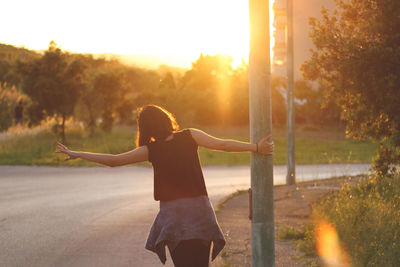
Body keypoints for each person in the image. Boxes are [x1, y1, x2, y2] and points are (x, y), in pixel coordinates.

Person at [56, 104, 274, 267]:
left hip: (173, 217)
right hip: (200, 212)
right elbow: (223, 145)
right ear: (166, 119)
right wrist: (256, 147)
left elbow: (114, 161)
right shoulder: (190, 135)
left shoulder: (151, 150)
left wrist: (76, 154)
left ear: (145, 128)